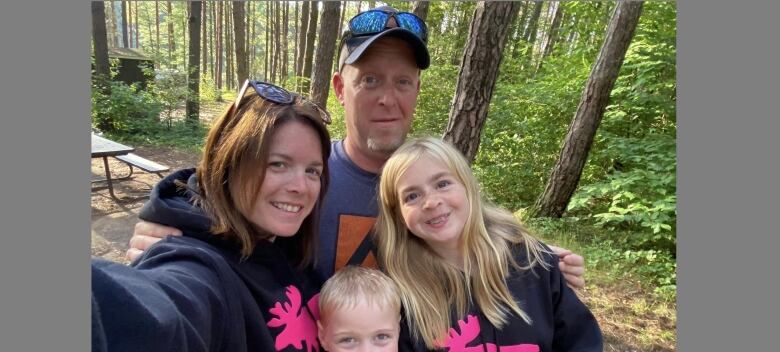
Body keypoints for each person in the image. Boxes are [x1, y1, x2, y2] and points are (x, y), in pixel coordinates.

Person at [124, 5, 587, 291]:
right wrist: (171, 224)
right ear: (341, 88)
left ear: (417, 91)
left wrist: (540, 261)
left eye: (402, 81)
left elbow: (482, 236)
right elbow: (227, 194)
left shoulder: (433, 182)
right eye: (370, 81)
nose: (388, 98)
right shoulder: (304, 174)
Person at [92, 80, 335, 352]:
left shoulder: (283, 244)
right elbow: (156, 319)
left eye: (312, 170)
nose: (301, 186)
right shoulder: (197, 267)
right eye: (278, 164)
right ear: (230, 160)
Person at [374, 137, 603, 352]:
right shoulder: (403, 302)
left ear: (468, 185)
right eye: (412, 196)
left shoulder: (533, 265)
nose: (430, 202)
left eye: (442, 184)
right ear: (398, 216)